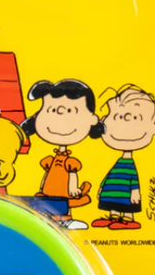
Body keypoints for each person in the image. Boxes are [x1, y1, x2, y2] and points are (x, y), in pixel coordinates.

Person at [21, 79, 102, 230]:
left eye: (70, 111)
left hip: (64, 187)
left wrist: (73, 187)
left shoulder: (70, 162)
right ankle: (52, 219)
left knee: (65, 201)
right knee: (49, 201)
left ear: (92, 119)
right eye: (51, 110)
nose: (60, 117)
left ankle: (65, 219)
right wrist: (43, 186)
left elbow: (72, 173)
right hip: (49, 188)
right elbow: (47, 173)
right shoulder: (51, 160)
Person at [93, 84, 155, 230]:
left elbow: (133, 179)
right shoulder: (120, 162)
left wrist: (135, 192)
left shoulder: (129, 165)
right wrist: (101, 187)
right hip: (112, 192)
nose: (126, 123)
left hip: (126, 194)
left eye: (135, 117)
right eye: (118, 117)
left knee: (126, 205)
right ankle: (113, 217)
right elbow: (110, 176)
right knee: (113, 204)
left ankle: (128, 219)